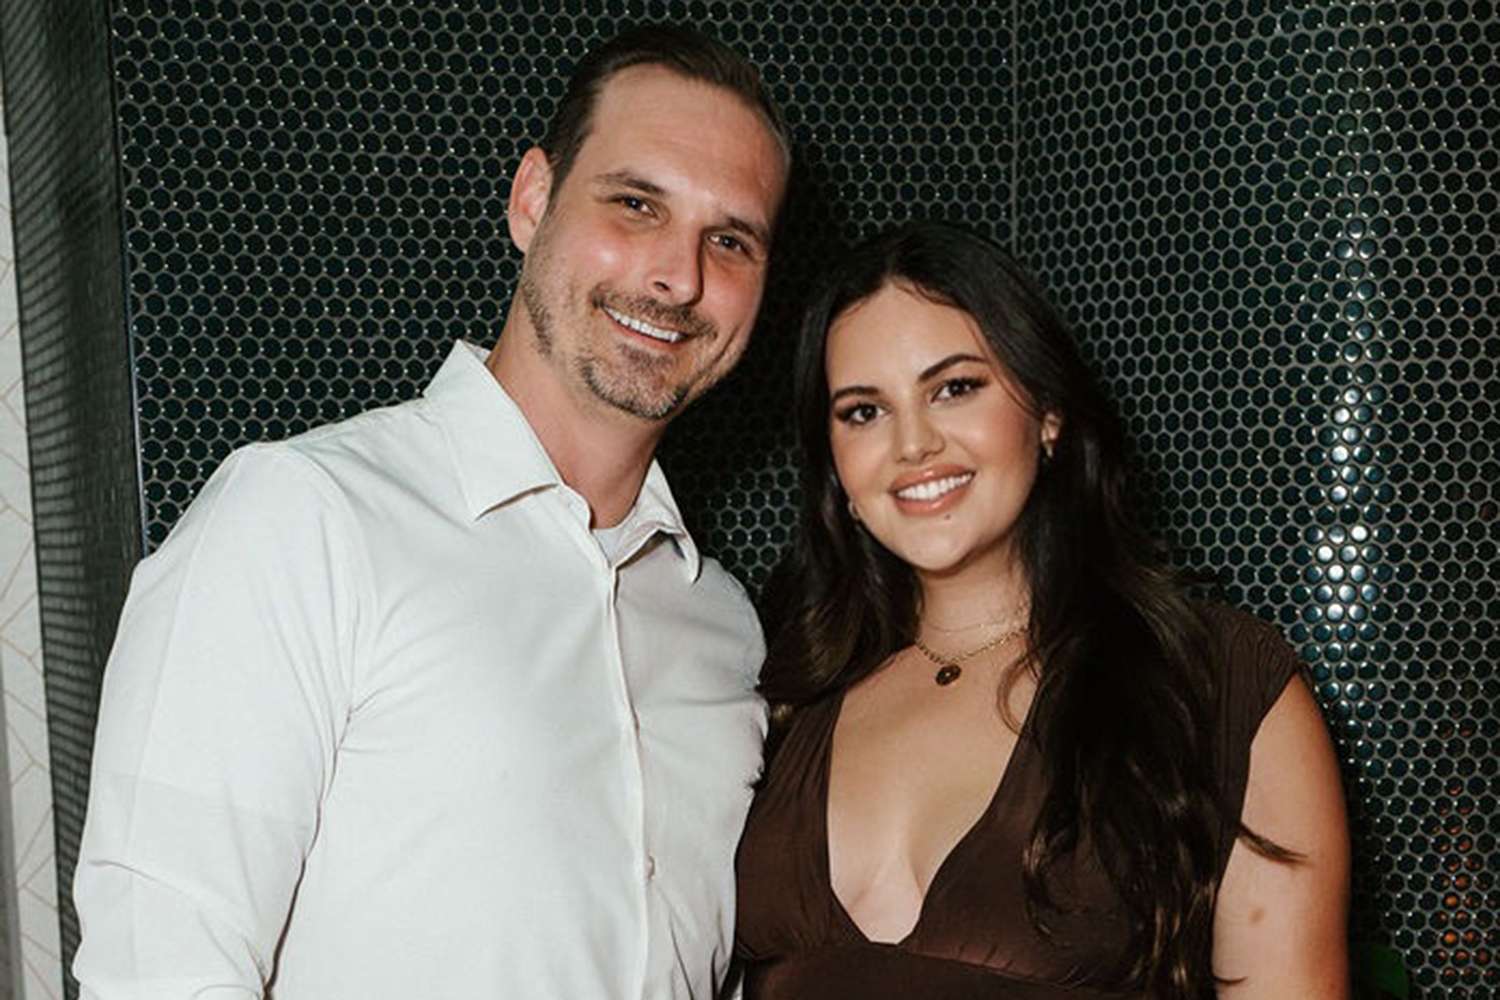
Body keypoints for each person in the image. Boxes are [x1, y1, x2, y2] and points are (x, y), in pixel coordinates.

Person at [72, 24, 790, 1000]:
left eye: (731, 240)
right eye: (635, 203)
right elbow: (157, 966)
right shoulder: (305, 520)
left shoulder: (727, 629)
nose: (680, 276)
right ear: (532, 199)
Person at [734, 222, 1350, 998]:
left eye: (955, 388)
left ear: (1048, 412)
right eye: (863, 411)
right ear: (835, 467)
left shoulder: (1221, 684)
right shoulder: (780, 689)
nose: (913, 444)